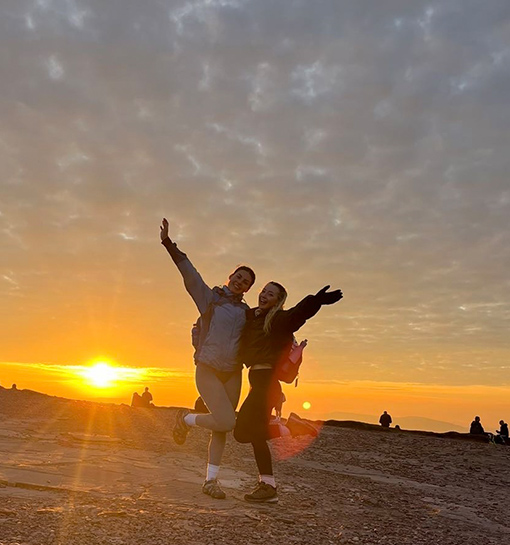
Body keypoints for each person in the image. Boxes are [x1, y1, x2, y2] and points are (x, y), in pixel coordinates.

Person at [160, 217, 255, 499]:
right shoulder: (210, 299)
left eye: (246, 282)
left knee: (222, 427)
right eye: (238, 277)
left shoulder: (246, 313)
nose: (240, 282)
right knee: (227, 421)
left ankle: (210, 481)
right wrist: (168, 243)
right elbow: (189, 274)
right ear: (231, 277)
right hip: (208, 369)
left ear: (248, 289)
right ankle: (187, 420)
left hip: (233, 372)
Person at [234, 281, 342, 503]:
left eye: (270, 294)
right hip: (261, 385)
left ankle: (269, 483)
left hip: (266, 385)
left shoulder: (278, 320)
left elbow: (296, 315)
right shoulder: (255, 318)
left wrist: (315, 300)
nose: (264, 295)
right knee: (248, 434)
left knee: (245, 433)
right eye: (263, 291)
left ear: (278, 301)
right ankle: (270, 481)